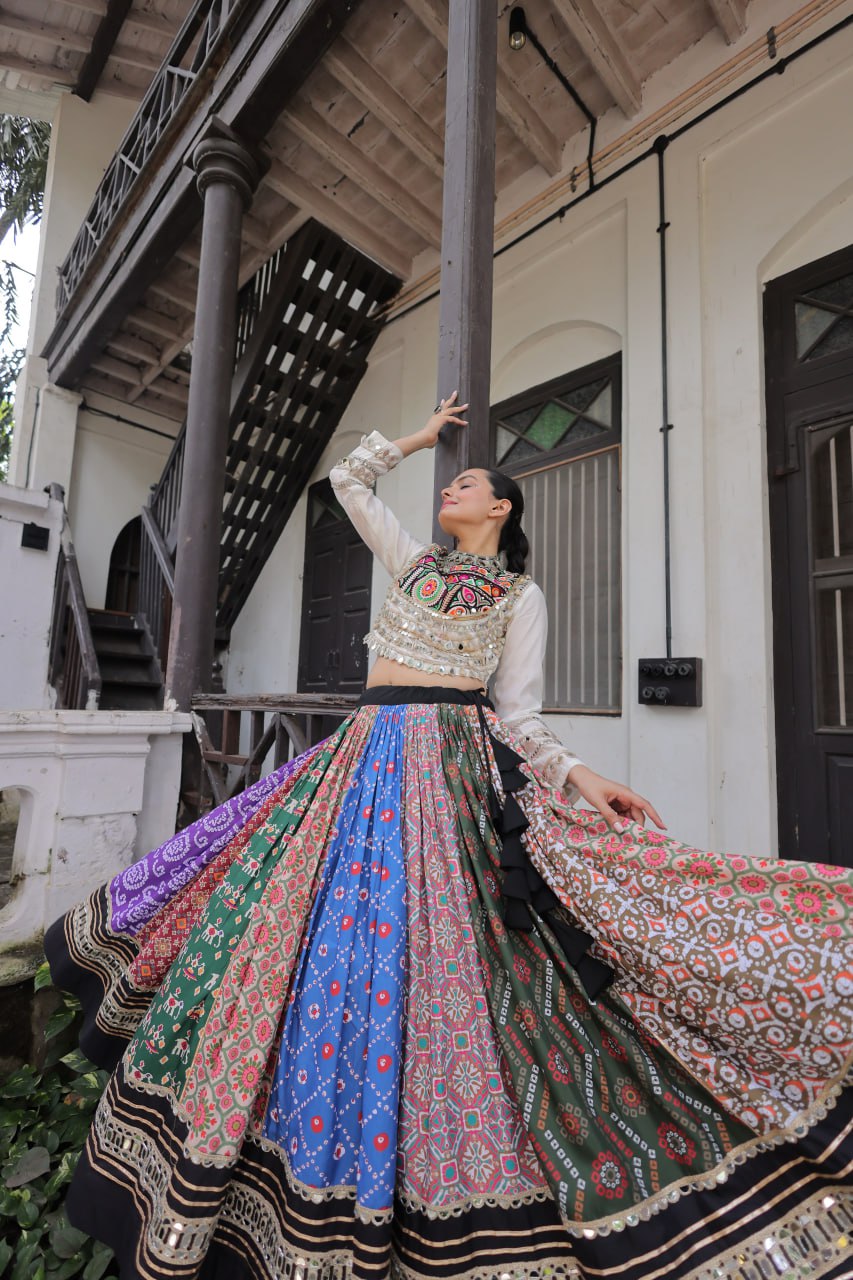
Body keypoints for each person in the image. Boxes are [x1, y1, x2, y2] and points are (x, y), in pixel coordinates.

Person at [46, 394, 852, 1280]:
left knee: (444, 953)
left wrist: (582, 777)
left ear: (499, 507)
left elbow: (521, 716)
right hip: (361, 755)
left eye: (464, 479)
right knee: (296, 926)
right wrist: (421, 437)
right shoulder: (413, 562)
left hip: (448, 767)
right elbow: (350, 480)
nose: (449, 487)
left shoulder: (518, 594)